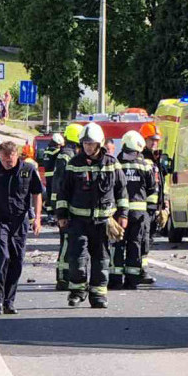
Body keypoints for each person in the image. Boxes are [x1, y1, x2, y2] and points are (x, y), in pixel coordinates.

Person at [56, 122, 127, 308]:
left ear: (100, 144)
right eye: (85, 143)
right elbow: (63, 192)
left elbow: (122, 191)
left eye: (91, 143)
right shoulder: (74, 164)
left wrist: (123, 215)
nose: (88, 147)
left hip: (103, 221)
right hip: (78, 220)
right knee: (77, 258)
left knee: (101, 259)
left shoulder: (112, 164)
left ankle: (98, 295)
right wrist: (61, 214)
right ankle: (77, 292)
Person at [0, 141, 44, 315]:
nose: (8, 161)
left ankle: (9, 301)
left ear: (16, 155)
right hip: (0, 219)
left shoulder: (28, 170)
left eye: (11, 158)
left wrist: (37, 218)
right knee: (3, 257)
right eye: (4, 158)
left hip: (20, 221)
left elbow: (37, 194)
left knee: (17, 260)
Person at [109, 131, 156, 289]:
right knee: (134, 245)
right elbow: (152, 189)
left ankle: (115, 279)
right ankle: (132, 280)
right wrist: (150, 210)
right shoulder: (145, 165)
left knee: (117, 244)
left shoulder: (115, 164)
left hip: (119, 213)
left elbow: (109, 188)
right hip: (138, 214)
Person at [51, 123, 83, 289]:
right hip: (66, 206)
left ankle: (66, 275)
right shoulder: (68, 156)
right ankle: (63, 277)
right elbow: (62, 184)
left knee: (68, 241)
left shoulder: (67, 154)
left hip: (66, 205)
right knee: (66, 241)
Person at [142, 129, 167, 239]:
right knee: (144, 236)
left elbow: (162, 184)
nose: (154, 143)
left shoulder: (157, 159)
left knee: (150, 236)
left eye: (156, 140)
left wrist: (164, 206)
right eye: (151, 140)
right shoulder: (141, 158)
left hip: (155, 207)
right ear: (144, 140)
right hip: (144, 206)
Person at [41, 133, 64, 220]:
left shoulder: (47, 150)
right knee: (53, 193)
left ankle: (50, 213)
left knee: (49, 193)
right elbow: (61, 152)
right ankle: (52, 213)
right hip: (53, 175)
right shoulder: (55, 151)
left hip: (47, 175)